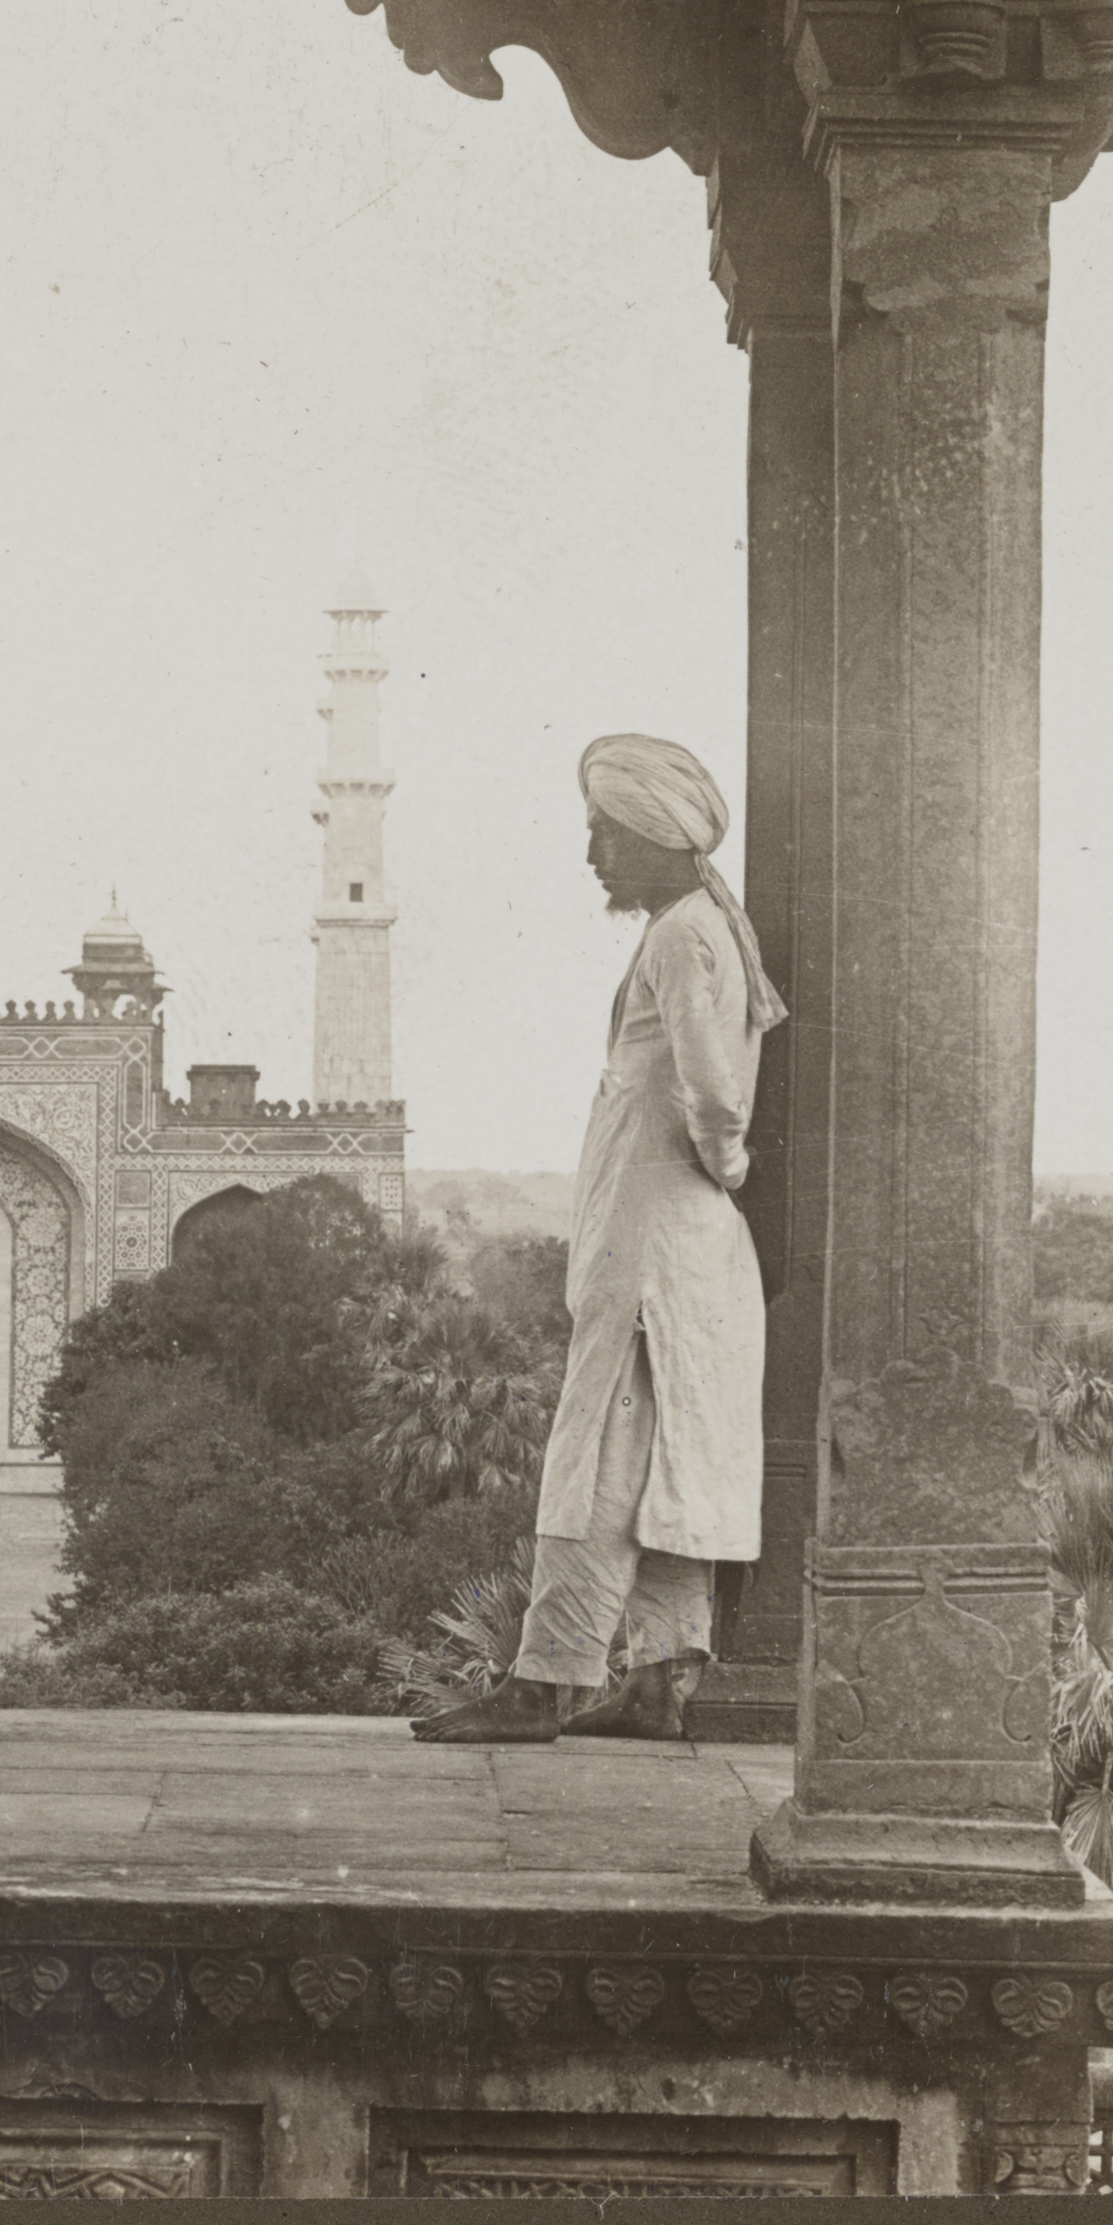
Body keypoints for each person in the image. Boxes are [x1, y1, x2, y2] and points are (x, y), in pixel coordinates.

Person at [418, 733, 787, 1744]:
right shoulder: (704, 923)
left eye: (604, 833)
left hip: (655, 1238)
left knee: (596, 1453)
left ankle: (549, 1674)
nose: (592, 854)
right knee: (662, 1453)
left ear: (657, 835)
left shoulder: (680, 933)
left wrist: (727, 1164)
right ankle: (662, 1678)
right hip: (675, 1241)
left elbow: (712, 1091)